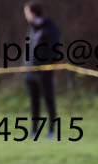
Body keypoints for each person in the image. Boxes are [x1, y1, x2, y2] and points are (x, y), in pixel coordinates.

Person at [23, 2, 61, 138]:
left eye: (27, 12)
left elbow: (55, 50)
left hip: (44, 72)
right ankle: (34, 131)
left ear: (33, 13)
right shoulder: (32, 28)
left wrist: (49, 67)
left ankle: (51, 131)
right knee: (34, 103)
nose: (25, 15)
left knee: (49, 101)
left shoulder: (50, 28)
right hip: (30, 72)